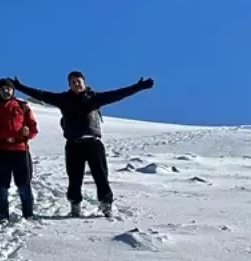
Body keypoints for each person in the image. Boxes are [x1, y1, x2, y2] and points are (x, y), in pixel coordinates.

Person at [14, 71, 155, 217]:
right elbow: (41, 94)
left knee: (100, 175)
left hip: (93, 143)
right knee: (74, 177)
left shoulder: (94, 98)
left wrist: (139, 87)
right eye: (73, 82)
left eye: (79, 81)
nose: (76, 84)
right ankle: (75, 206)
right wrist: (19, 87)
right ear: (69, 85)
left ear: (84, 82)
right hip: (73, 144)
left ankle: (106, 204)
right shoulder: (63, 99)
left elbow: (118, 94)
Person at [0, 79, 38, 222]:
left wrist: (27, 133)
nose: (6, 91)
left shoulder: (22, 106)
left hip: (20, 149)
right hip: (0, 150)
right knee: (1, 183)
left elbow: (33, 127)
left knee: (24, 183)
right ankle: (2, 214)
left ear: (13, 91)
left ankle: (28, 213)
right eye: (2, 89)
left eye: (8, 88)